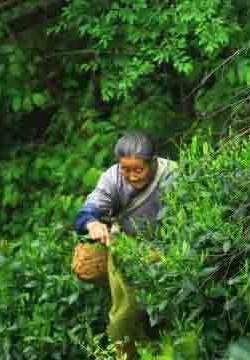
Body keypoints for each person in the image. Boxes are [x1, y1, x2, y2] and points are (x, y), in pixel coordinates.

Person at [73, 131, 177, 359]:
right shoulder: (113, 177)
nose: (130, 175)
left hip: (169, 250)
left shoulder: (173, 175)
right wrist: (92, 223)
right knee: (124, 315)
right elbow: (85, 212)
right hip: (127, 248)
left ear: (152, 162)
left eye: (137, 169)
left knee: (169, 315)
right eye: (125, 169)